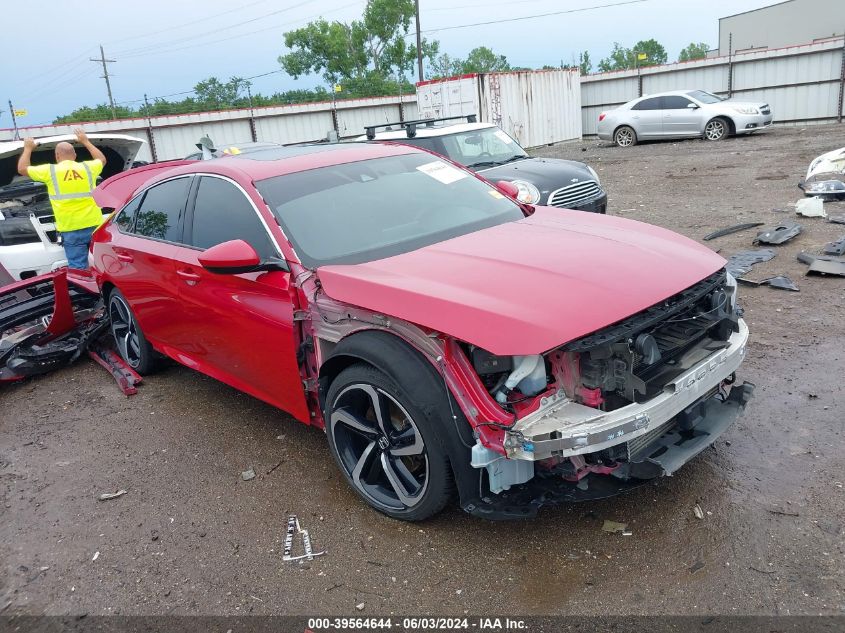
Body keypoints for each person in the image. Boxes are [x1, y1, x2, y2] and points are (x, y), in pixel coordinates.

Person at [16, 128, 107, 270]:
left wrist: (28, 148)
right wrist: (85, 141)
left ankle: (83, 291)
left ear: (57, 156)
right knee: (102, 264)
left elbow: (22, 168)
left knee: (78, 268)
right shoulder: (88, 167)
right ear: (75, 155)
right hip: (94, 224)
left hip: (70, 228)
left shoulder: (49, 170)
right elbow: (101, 159)